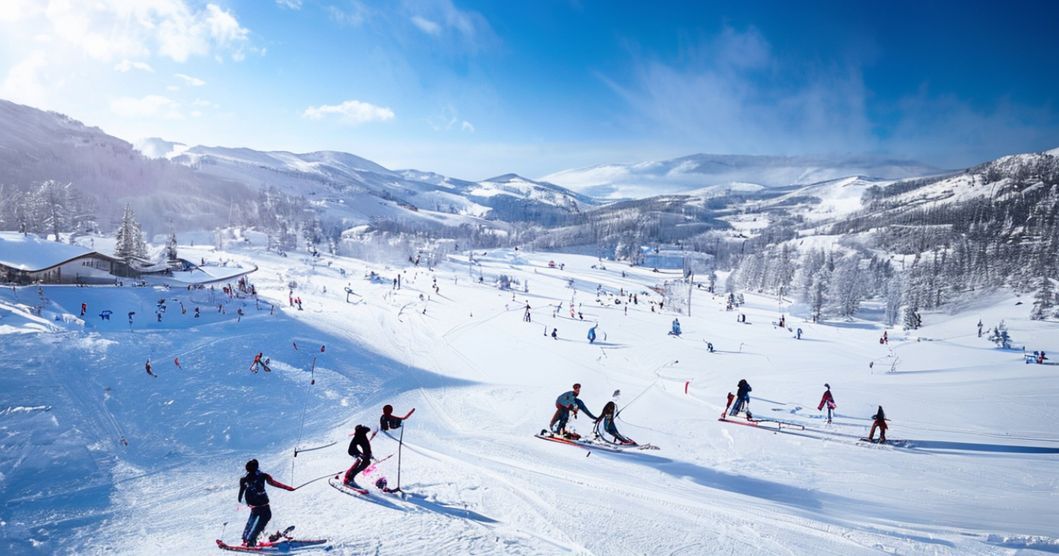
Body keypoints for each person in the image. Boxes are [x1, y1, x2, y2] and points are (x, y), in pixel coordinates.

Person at [238, 459, 295, 547]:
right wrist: (289, 488)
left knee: (253, 521)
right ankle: (252, 541)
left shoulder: (244, 480)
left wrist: (249, 503)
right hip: (263, 505)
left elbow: (240, 498)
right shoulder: (263, 476)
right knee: (264, 519)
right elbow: (274, 483)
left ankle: (247, 539)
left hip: (254, 506)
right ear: (257, 467)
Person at [343, 425, 373, 489]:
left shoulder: (362, 435)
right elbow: (352, 449)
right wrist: (362, 455)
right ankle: (349, 478)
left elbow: (366, 447)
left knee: (366, 462)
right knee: (361, 461)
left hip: (355, 451)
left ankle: (350, 476)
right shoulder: (359, 436)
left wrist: (368, 455)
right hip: (352, 451)